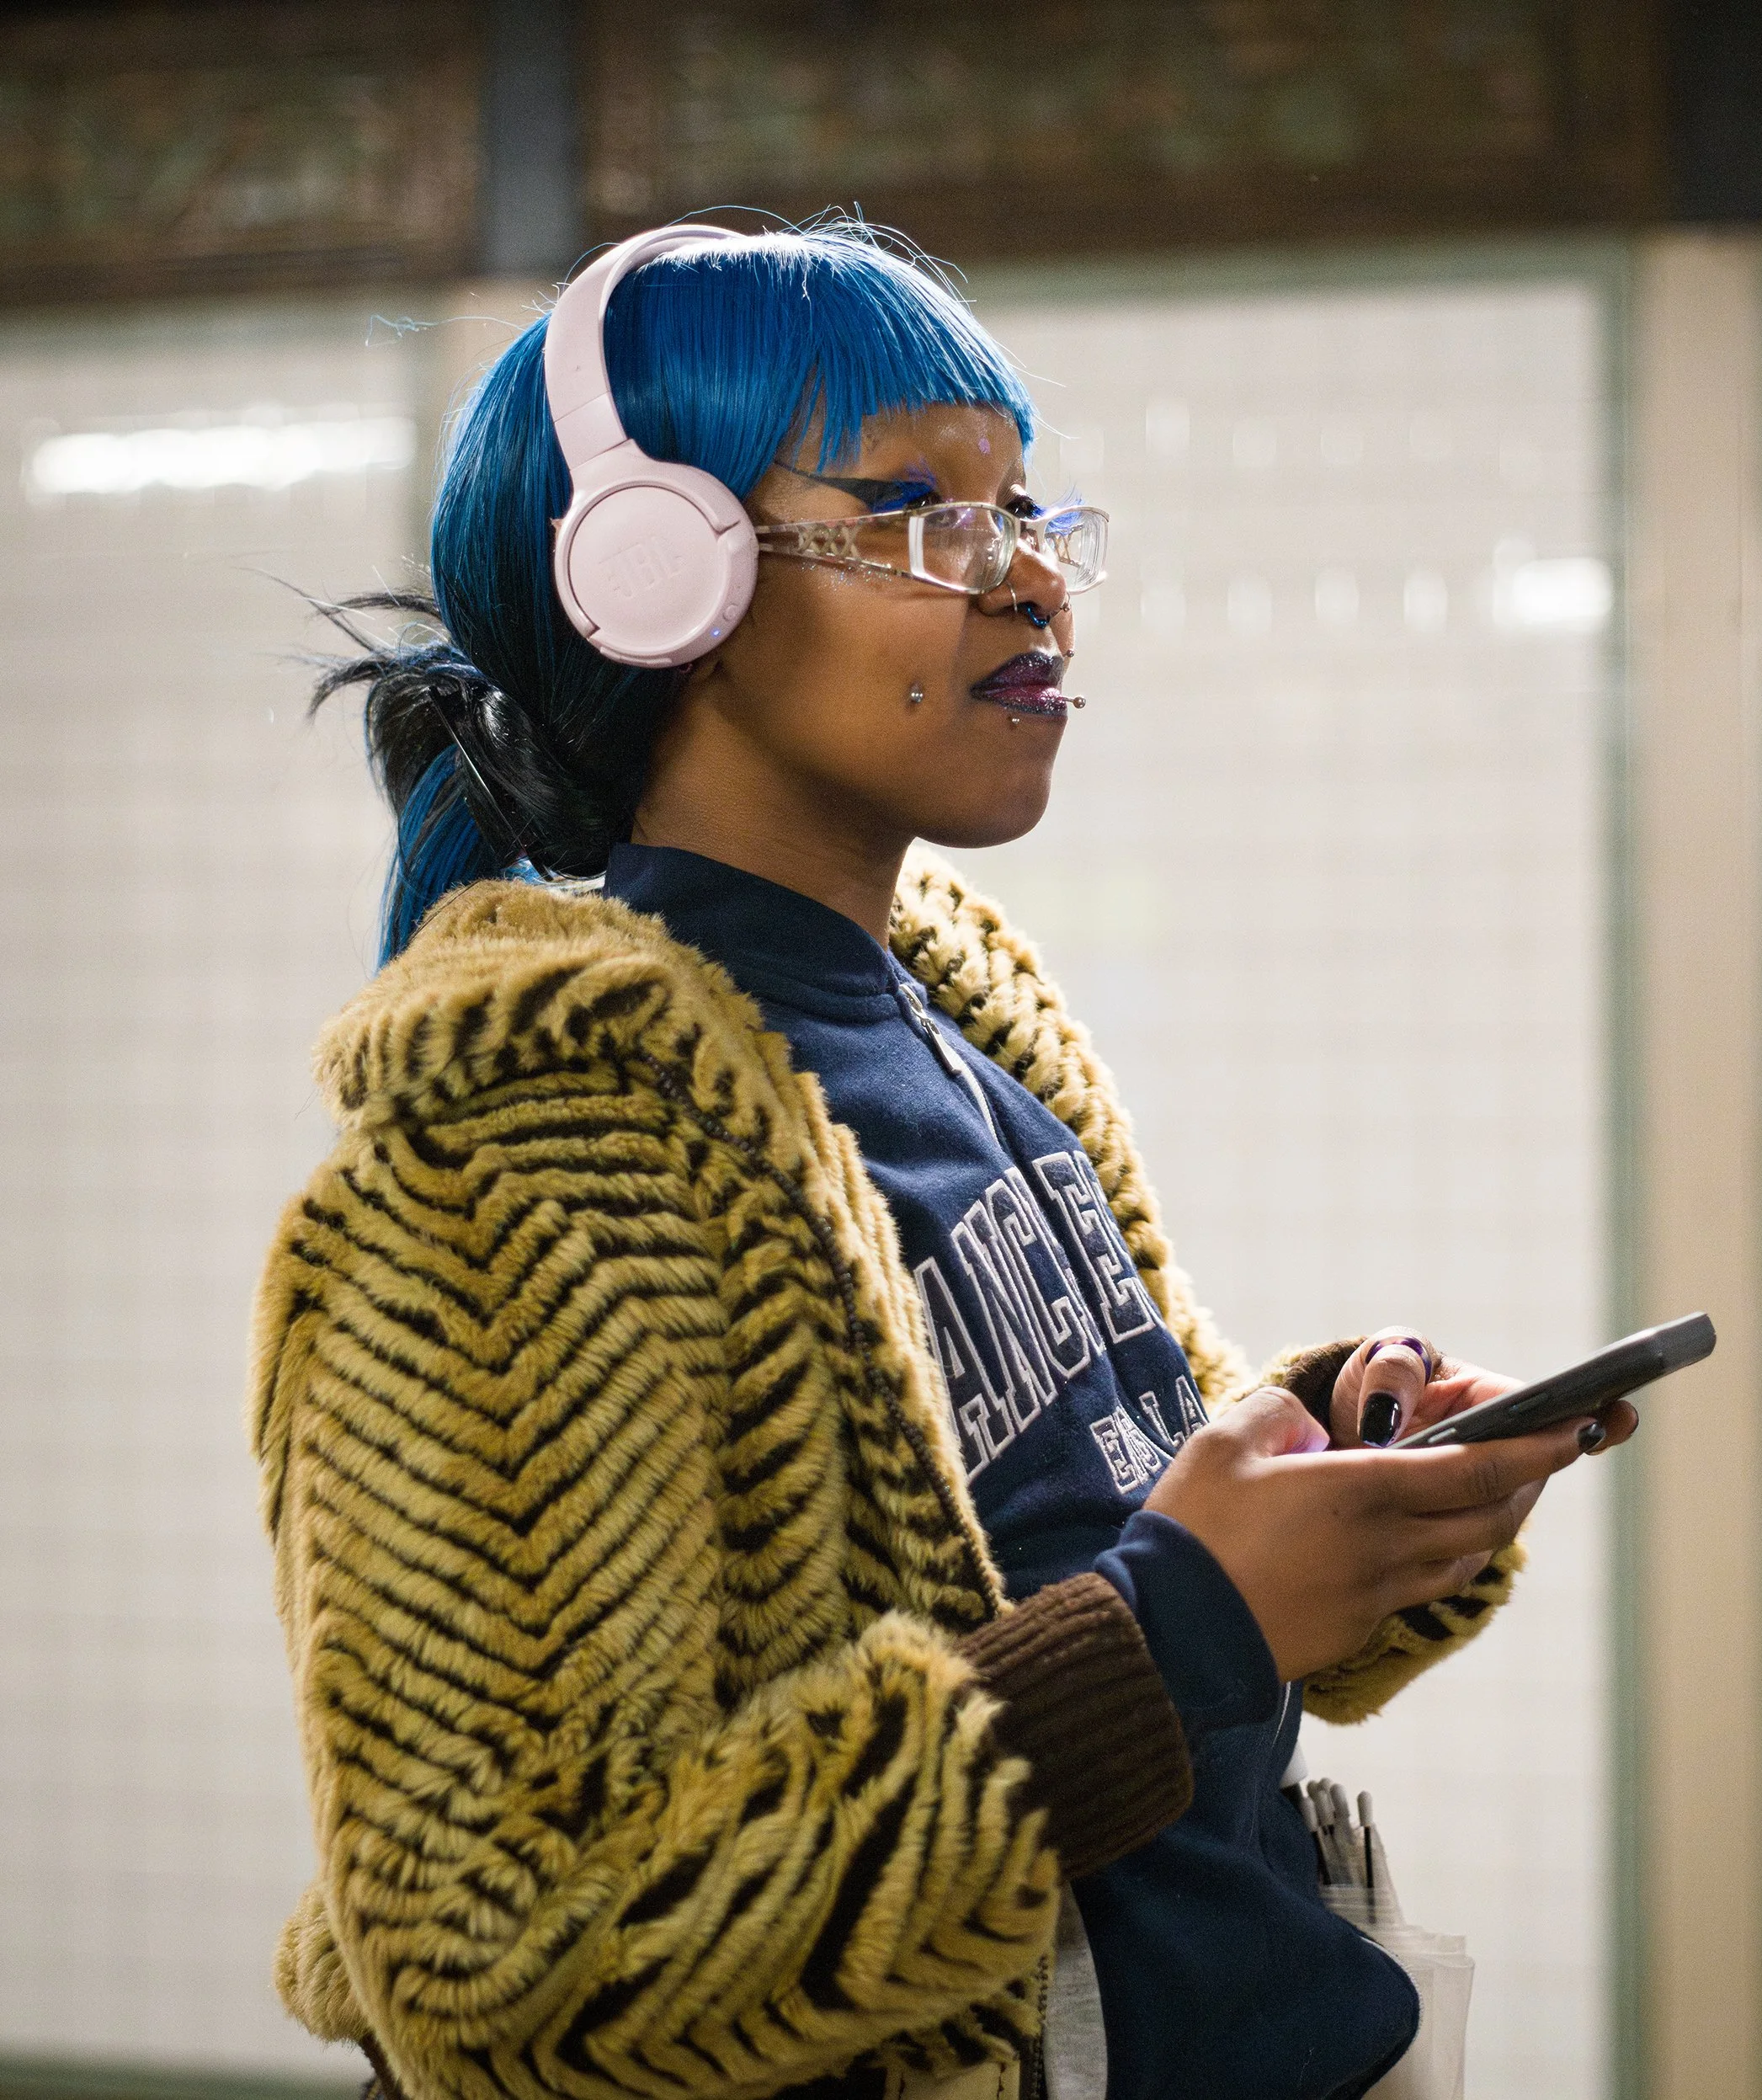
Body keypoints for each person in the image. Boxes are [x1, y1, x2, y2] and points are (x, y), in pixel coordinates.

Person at [253, 219, 1635, 2100]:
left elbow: (1076, 1539)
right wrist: (1181, 1629)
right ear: (665, 582)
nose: (1029, 584)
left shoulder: (960, 1015)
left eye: (1026, 509)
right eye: (915, 508)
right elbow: (510, 1964)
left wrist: (1325, 1468)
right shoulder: (518, 1173)